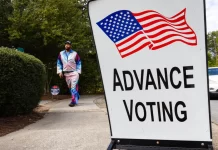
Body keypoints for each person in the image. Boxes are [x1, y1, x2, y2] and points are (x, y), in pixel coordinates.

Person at [57, 41, 82, 107]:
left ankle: (73, 101)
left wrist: (78, 72)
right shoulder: (61, 53)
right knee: (70, 87)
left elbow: (79, 62)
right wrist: (60, 71)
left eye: (68, 44)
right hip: (66, 74)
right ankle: (77, 95)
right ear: (64, 45)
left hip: (74, 73)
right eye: (66, 44)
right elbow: (59, 63)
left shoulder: (74, 53)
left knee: (73, 87)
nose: (67, 45)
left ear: (70, 46)